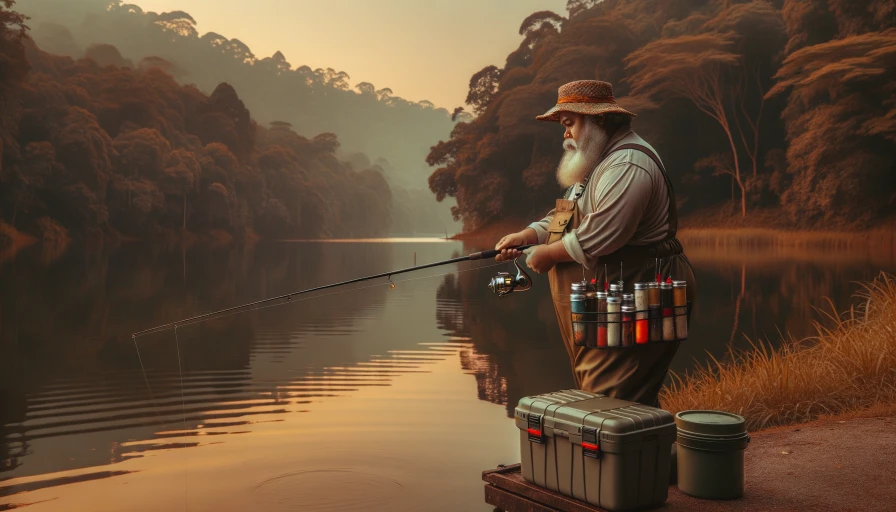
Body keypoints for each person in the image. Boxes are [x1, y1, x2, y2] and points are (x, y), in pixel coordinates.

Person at [494, 80, 697, 409]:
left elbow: (604, 232)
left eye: (569, 124)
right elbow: (565, 217)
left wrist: (548, 254)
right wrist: (530, 235)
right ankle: (653, 458)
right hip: (613, 292)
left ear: (600, 120)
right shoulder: (597, 165)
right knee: (620, 396)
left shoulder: (626, 165)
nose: (565, 135)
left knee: (610, 398)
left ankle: (636, 460)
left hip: (638, 291)